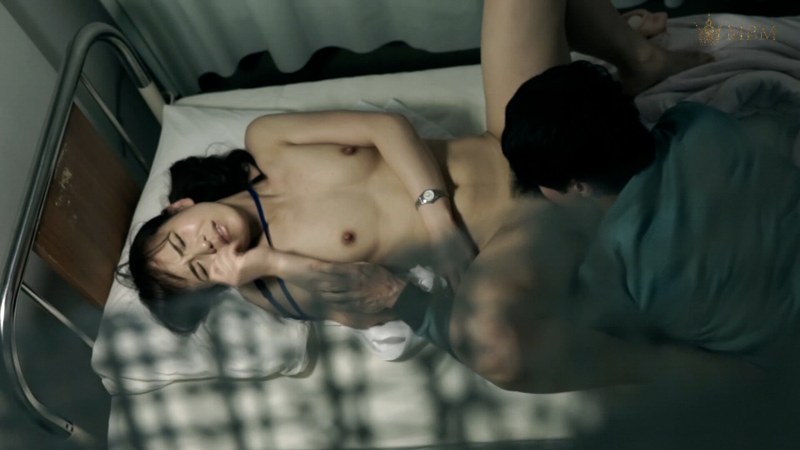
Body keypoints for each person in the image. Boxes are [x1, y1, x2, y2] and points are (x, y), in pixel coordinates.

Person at [123, 1, 715, 387]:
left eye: (180, 240)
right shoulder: (272, 291)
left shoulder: (267, 141)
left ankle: (643, 58)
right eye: (199, 269)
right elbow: (373, 303)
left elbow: (388, 129)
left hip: (508, 137)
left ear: (180, 207)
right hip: (511, 234)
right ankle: (677, 371)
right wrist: (271, 263)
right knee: (498, 355)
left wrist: (437, 224)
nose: (205, 247)